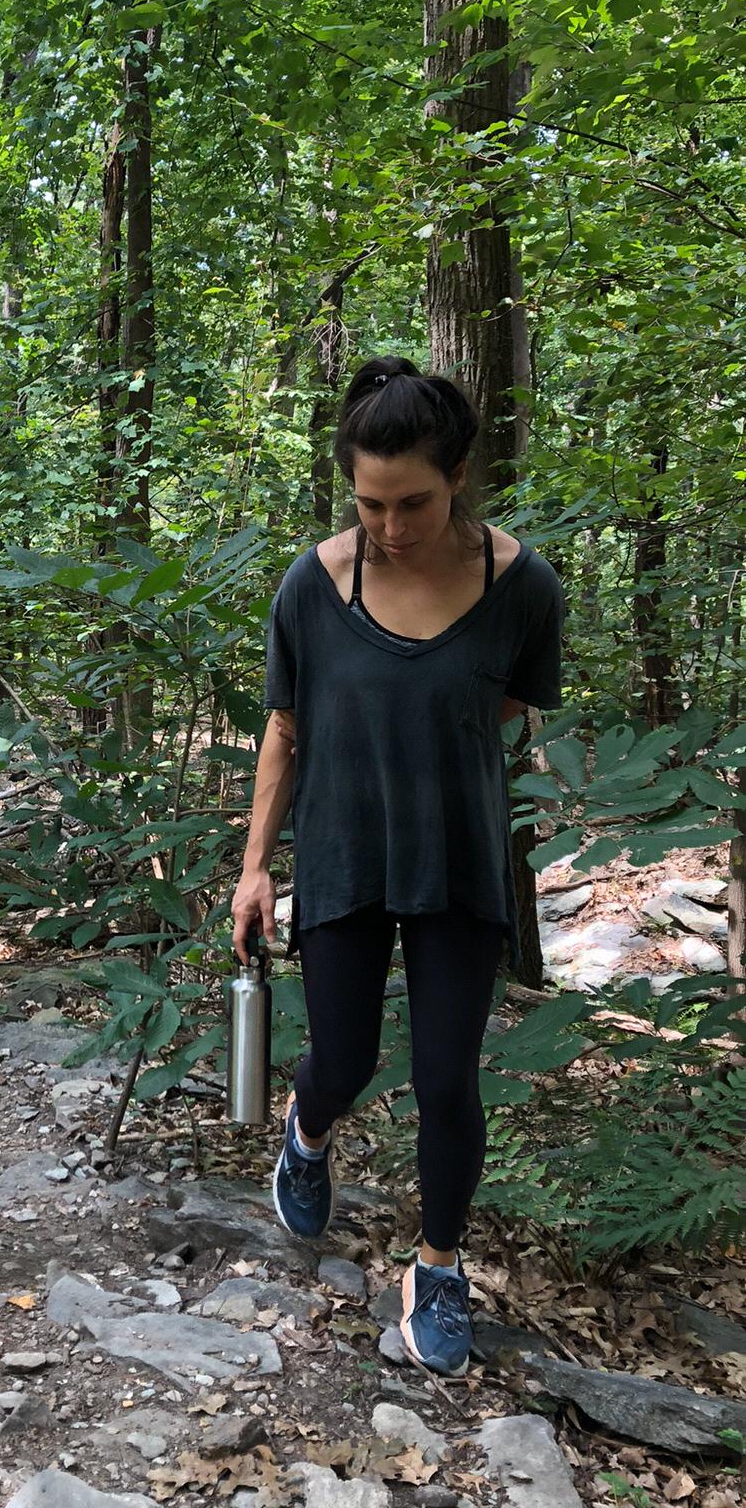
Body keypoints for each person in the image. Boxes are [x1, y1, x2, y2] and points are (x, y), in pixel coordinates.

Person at [231, 356, 564, 1376]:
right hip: (341, 852)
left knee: (447, 1077)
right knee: (346, 1057)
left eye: (411, 500)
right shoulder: (315, 584)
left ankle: (437, 1264)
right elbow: (285, 730)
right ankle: (308, 1129)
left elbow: (501, 704)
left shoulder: (524, 587)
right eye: (369, 502)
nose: (389, 524)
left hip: (460, 860)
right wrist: (254, 867)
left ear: (459, 473)